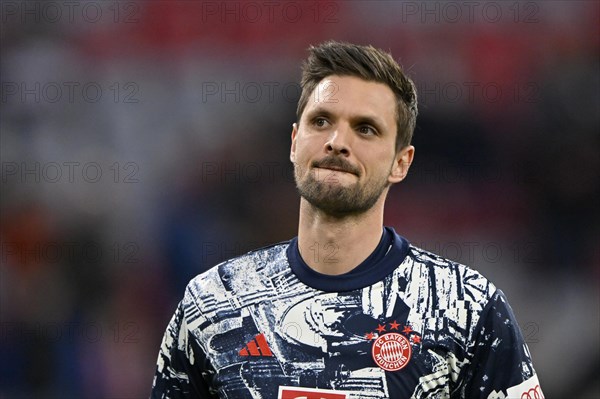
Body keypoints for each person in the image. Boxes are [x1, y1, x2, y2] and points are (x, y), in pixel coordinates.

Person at [151, 41, 543, 399]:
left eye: (366, 129)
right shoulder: (213, 303)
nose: (337, 141)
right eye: (321, 121)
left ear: (400, 163)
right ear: (294, 142)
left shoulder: (466, 307)